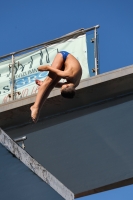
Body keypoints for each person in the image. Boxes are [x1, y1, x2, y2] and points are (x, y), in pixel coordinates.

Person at [30, 51, 82, 123]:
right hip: (63, 56)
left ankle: (38, 108)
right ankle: (35, 106)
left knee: (51, 85)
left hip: (66, 66)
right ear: (67, 86)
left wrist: (42, 83)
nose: (61, 86)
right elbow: (48, 68)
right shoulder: (69, 75)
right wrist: (41, 68)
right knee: (48, 80)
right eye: (62, 87)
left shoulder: (74, 85)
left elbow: (58, 84)